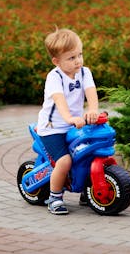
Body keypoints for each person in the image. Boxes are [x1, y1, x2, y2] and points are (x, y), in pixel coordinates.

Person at [36, 28, 99, 215]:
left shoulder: (84, 72)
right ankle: (54, 197)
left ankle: (87, 192)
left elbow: (91, 92)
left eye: (80, 55)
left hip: (74, 126)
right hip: (52, 128)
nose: (78, 61)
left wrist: (93, 110)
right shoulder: (54, 77)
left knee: (87, 155)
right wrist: (70, 118)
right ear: (57, 61)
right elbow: (59, 100)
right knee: (64, 162)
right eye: (71, 58)